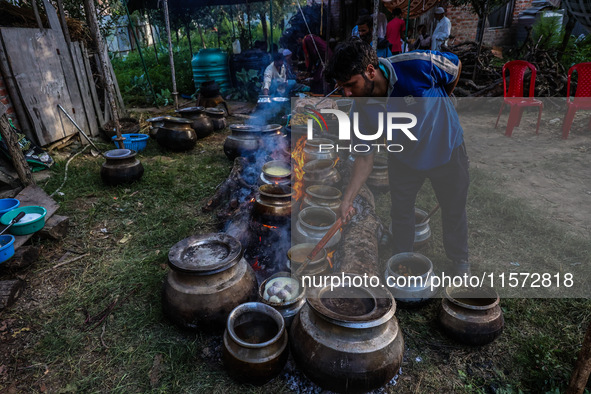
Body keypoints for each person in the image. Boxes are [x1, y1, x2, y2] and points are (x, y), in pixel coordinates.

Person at [324, 38, 470, 276]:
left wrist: (442, 99)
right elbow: (364, 158)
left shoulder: (417, 65)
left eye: (350, 84)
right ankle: (403, 261)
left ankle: (460, 261)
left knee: (453, 208)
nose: (347, 92)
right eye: (342, 87)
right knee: (401, 212)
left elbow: (455, 67)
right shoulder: (359, 109)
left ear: (370, 71)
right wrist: (347, 199)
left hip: (446, 148)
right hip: (404, 159)